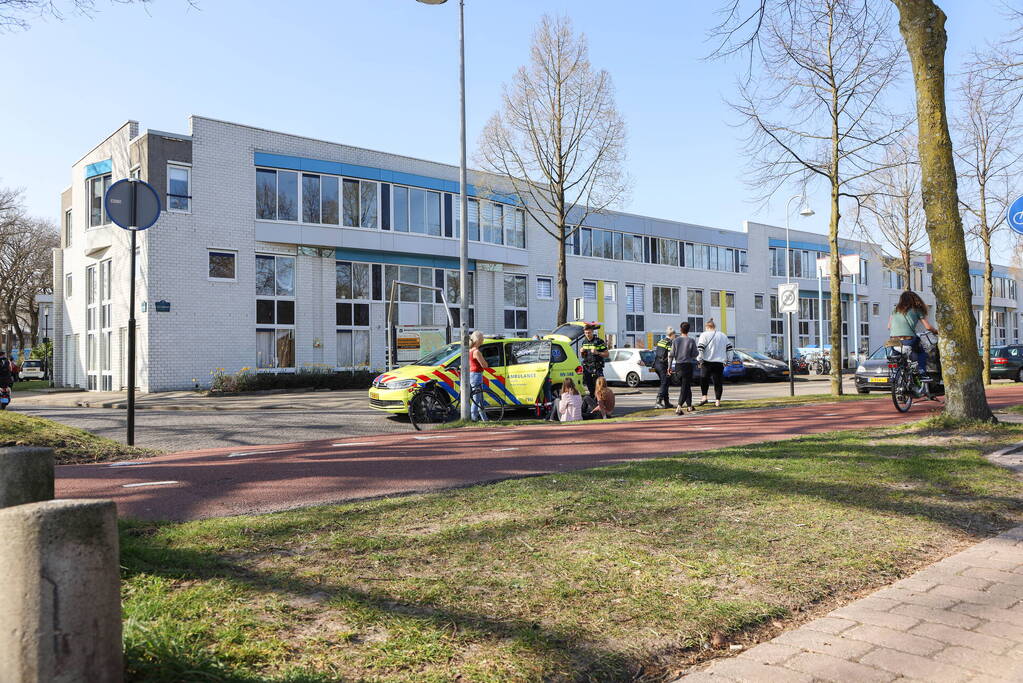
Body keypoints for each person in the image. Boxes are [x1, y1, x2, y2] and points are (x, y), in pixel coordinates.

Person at [889, 290, 938, 385]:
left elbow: (889, 326)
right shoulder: (916, 310)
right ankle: (922, 373)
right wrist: (936, 331)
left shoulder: (895, 310)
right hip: (908, 340)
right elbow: (928, 327)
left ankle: (895, 373)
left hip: (892, 341)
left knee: (897, 359)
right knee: (922, 353)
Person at [696, 319, 732, 407]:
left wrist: (699, 359)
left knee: (704, 380)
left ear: (707, 327)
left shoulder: (704, 335)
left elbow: (700, 348)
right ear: (714, 326)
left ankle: (704, 397)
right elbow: (729, 349)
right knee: (718, 382)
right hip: (719, 362)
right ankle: (717, 401)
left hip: (707, 362)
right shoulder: (723, 335)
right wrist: (729, 360)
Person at [669, 321, 698, 414]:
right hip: (687, 366)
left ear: (680, 329)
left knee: (686, 386)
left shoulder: (675, 341)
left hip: (678, 366)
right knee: (685, 387)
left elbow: (671, 355)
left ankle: (689, 406)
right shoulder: (691, 340)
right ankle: (679, 407)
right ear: (688, 330)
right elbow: (695, 354)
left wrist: (669, 367)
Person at [579, 323, 609, 396]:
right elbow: (583, 356)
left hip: (597, 367)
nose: (587, 334)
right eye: (586, 333)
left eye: (589, 333)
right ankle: (593, 403)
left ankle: (602, 404)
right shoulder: (584, 342)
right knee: (590, 388)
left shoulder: (599, 342)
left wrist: (597, 352)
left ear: (592, 332)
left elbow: (607, 354)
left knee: (600, 388)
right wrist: (581, 352)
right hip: (587, 368)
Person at [467, 331, 489, 421]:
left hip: (472, 375)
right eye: (482, 338)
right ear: (478, 340)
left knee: (479, 398)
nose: (483, 339)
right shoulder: (476, 352)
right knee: (477, 398)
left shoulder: (470, 351)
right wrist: (486, 363)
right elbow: (484, 365)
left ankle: (484, 419)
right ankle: (473, 418)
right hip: (477, 375)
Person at [653, 328, 675, 408]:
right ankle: (658, 402)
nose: (674, 337)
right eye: (674, 335)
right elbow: (670, 356)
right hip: (663, 365)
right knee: (664, 383)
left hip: (656, 364)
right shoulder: (670, 342)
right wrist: (669, 367)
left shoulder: (661, 341)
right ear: (672, 335)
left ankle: (666, 402)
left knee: (666, 382)